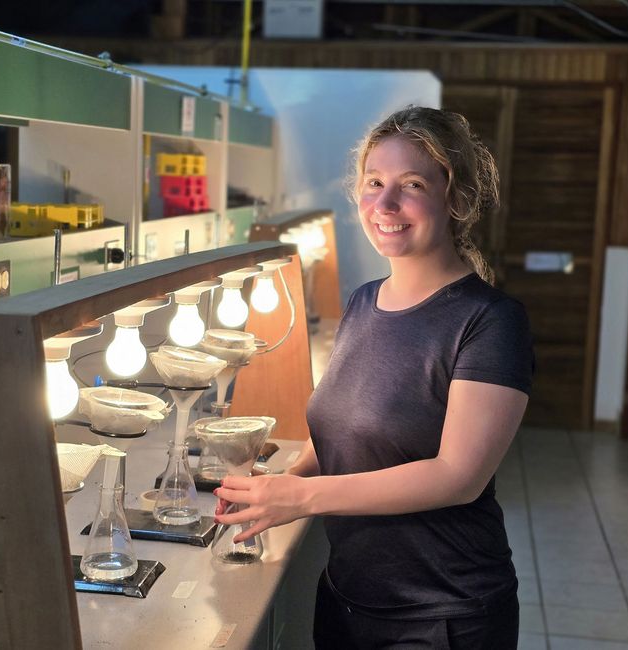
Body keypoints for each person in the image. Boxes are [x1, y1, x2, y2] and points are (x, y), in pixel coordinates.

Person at [214, 106, 534, 649]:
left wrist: (304, 499)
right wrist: (279, 484)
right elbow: (340, 428)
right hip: (346, 599)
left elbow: (458, 475)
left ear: (454, 199)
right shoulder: (364, 303)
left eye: (410, 185)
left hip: (444, 615)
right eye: (373, 183)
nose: (385, 205)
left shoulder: (490, 321)